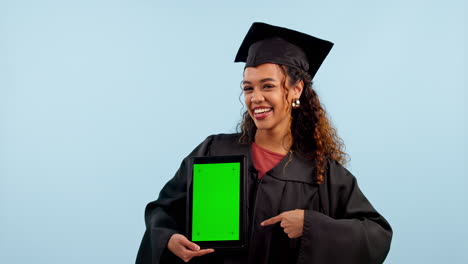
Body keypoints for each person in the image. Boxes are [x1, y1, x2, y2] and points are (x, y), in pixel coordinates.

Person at [135, 22, 392, 264]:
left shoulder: (322, 172)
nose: (256, 98)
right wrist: (168, 239)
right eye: (248, 88)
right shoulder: (213, 151)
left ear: (296, 89)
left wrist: (310, 224)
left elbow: (376, 234)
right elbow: (162, 211)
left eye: (267, 86)